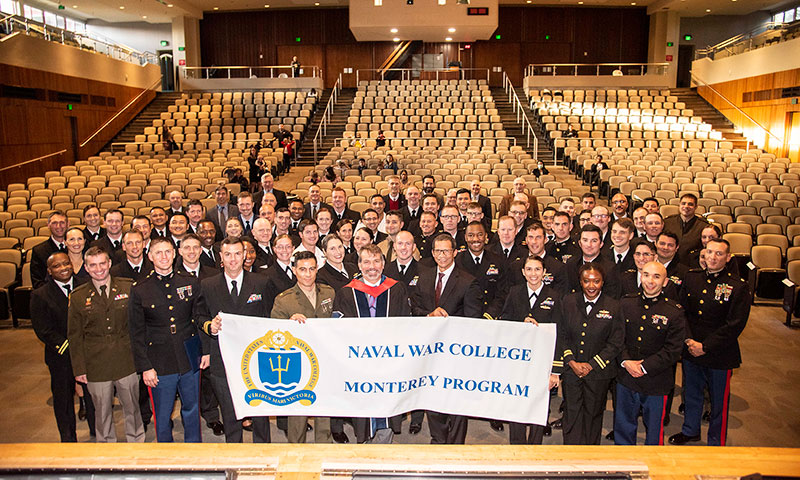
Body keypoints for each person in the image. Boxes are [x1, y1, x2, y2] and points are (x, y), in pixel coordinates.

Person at [669, 239, 751, 447]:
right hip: (690, 348)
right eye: (709, 252)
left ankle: (716, 440)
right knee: (692, 394)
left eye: (719, 254)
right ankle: (690, 430)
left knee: (718, 402)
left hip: (719, 354)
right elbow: (681, 311)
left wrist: (705, 346)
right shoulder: (692, 277)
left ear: (728, 257)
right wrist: (688, 340)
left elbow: (735, 324)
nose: (713, 257)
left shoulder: (738, 286)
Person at [128, 237, 206, 443]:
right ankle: (165, 452)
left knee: (191, 407)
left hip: (189, 356)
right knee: (162, 414)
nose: (164, 256)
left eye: (167, 252)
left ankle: (194, 448)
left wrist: (204, 351)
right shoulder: (140, 289)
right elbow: (136, 333)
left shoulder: (189, 282)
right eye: (158, 253)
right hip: (159, 361)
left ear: (174, 254)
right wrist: (145, 367)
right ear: (150, 256)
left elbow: (199, 319)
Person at [333, 244, 410, 443]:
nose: (372, 267)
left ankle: (385, 445)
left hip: (389, 361)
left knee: (387, 405)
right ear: (359, 265)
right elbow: (339, 330)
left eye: (376, 261)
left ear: (383, 264)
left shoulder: (396, 288)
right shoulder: (346, 293)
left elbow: (406, 324)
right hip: (361, 363)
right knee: (364, 407)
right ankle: (364, 443)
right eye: (366, 262)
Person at [198, 237, 273, 443]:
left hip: (257, 359)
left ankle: (263, 450)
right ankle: (235, 452)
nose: (233, 259)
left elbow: (270, 317)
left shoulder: (261, 282)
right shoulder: (207, 285)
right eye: (228, 254)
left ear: (245, 256)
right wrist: (209, 327)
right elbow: (199, 316)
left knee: (260, 410)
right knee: (230, 413)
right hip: (222, 359)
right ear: (221, 257)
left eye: (238, 254)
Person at [410, 233, 482, 444]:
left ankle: (456, 444)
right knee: (432, 395)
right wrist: (428, 316)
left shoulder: (469, 282)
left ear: (455, 252)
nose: (442, 255)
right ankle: (438, 439)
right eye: (438, 251)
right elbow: (414, 307)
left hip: (457, 351)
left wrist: (450, 322)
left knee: (456, 399)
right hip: (429, 350)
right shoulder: (423, 277)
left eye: (446, 251)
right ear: (432, 253)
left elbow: (473, 319)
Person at [67, 246, 144, 443]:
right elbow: (74, 336)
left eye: (102, 263)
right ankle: (106, 450)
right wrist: (79, 368)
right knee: (101, 413)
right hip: (96, 364)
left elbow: (139, 325)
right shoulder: (78, 296)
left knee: (132, 408)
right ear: (86, 267)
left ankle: (136, 444)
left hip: (126, 359)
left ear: (109, 263)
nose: (99, 269)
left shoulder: (128, 287)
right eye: (93, 265)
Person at [615, 261, 686, 446]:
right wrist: (626, 361)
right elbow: (616, 338)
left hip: (656, 380)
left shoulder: (674, 312)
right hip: (626, 376)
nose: (650, 281)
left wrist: (644, 366)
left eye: (656, 276)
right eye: (646, 275)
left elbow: (673, 350)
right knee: (623, 426)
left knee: (654, 431)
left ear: (665, 281)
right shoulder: (625, 303)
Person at [271, 251, 336, 443]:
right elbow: (274, 334)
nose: (308, 274)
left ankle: (323, 445)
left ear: (317, 269)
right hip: (297, 362)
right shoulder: (284, 299)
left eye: (312, 269)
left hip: (324, 358)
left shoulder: (329, 293)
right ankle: (296, 448)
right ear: (294, 270)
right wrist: (288, 324)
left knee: (324, 407)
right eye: (302, 269)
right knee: (298, 410)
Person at [31, 252, 96, 442]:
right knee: (64, 400)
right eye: (57, 266)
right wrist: (70, 347)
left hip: (89, 354)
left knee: (93, 397)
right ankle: (68, 438)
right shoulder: (40, 295)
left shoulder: (86, 285)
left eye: (66, 264)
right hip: (61, 357)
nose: (64, 268)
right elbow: (43, 330)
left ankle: (96, 431)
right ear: (50, 271)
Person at [559, 263, 623, 445]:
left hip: (598, 372)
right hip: (572, 370)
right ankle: (570, 449)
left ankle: (590, 451)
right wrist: (571, 361)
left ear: (603, 282)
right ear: (580, 281)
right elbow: (562, 334)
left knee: (593, 413)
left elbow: (615, 342)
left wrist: (592, 365)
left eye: (596, 281)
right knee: (571, 410)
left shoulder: (614, 306)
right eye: (586, 281)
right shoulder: (568, 302)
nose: (591, 286)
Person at [500, 255, 562, 444]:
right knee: (516, 402)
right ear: (523, 272)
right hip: (518, 359)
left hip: (542, 361)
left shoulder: (555, 297)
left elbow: (561, 333)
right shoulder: (514, 292)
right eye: (529, 269)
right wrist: (521, 325)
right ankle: (516, 445)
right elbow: (504, 321)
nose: (533, 274)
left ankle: (535, 446)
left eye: (537, 269)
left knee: (538, 404)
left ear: (544, 272)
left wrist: (555, 371)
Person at [663, 193, 710, 265]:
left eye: (690, 204)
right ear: (679, 205)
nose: (686, 206)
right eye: (683, 203)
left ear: (696, 207)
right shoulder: (667, 222)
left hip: (693, 265)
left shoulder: (703, 226)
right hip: (669, 264)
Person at [31, 211, 69, 288]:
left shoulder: (76, 246)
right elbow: (37, 281)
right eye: (54, 223)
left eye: (62, 222)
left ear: (68, 224)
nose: (59, 226)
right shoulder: (39, 251)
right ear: (48, 225)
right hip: (50, 295)